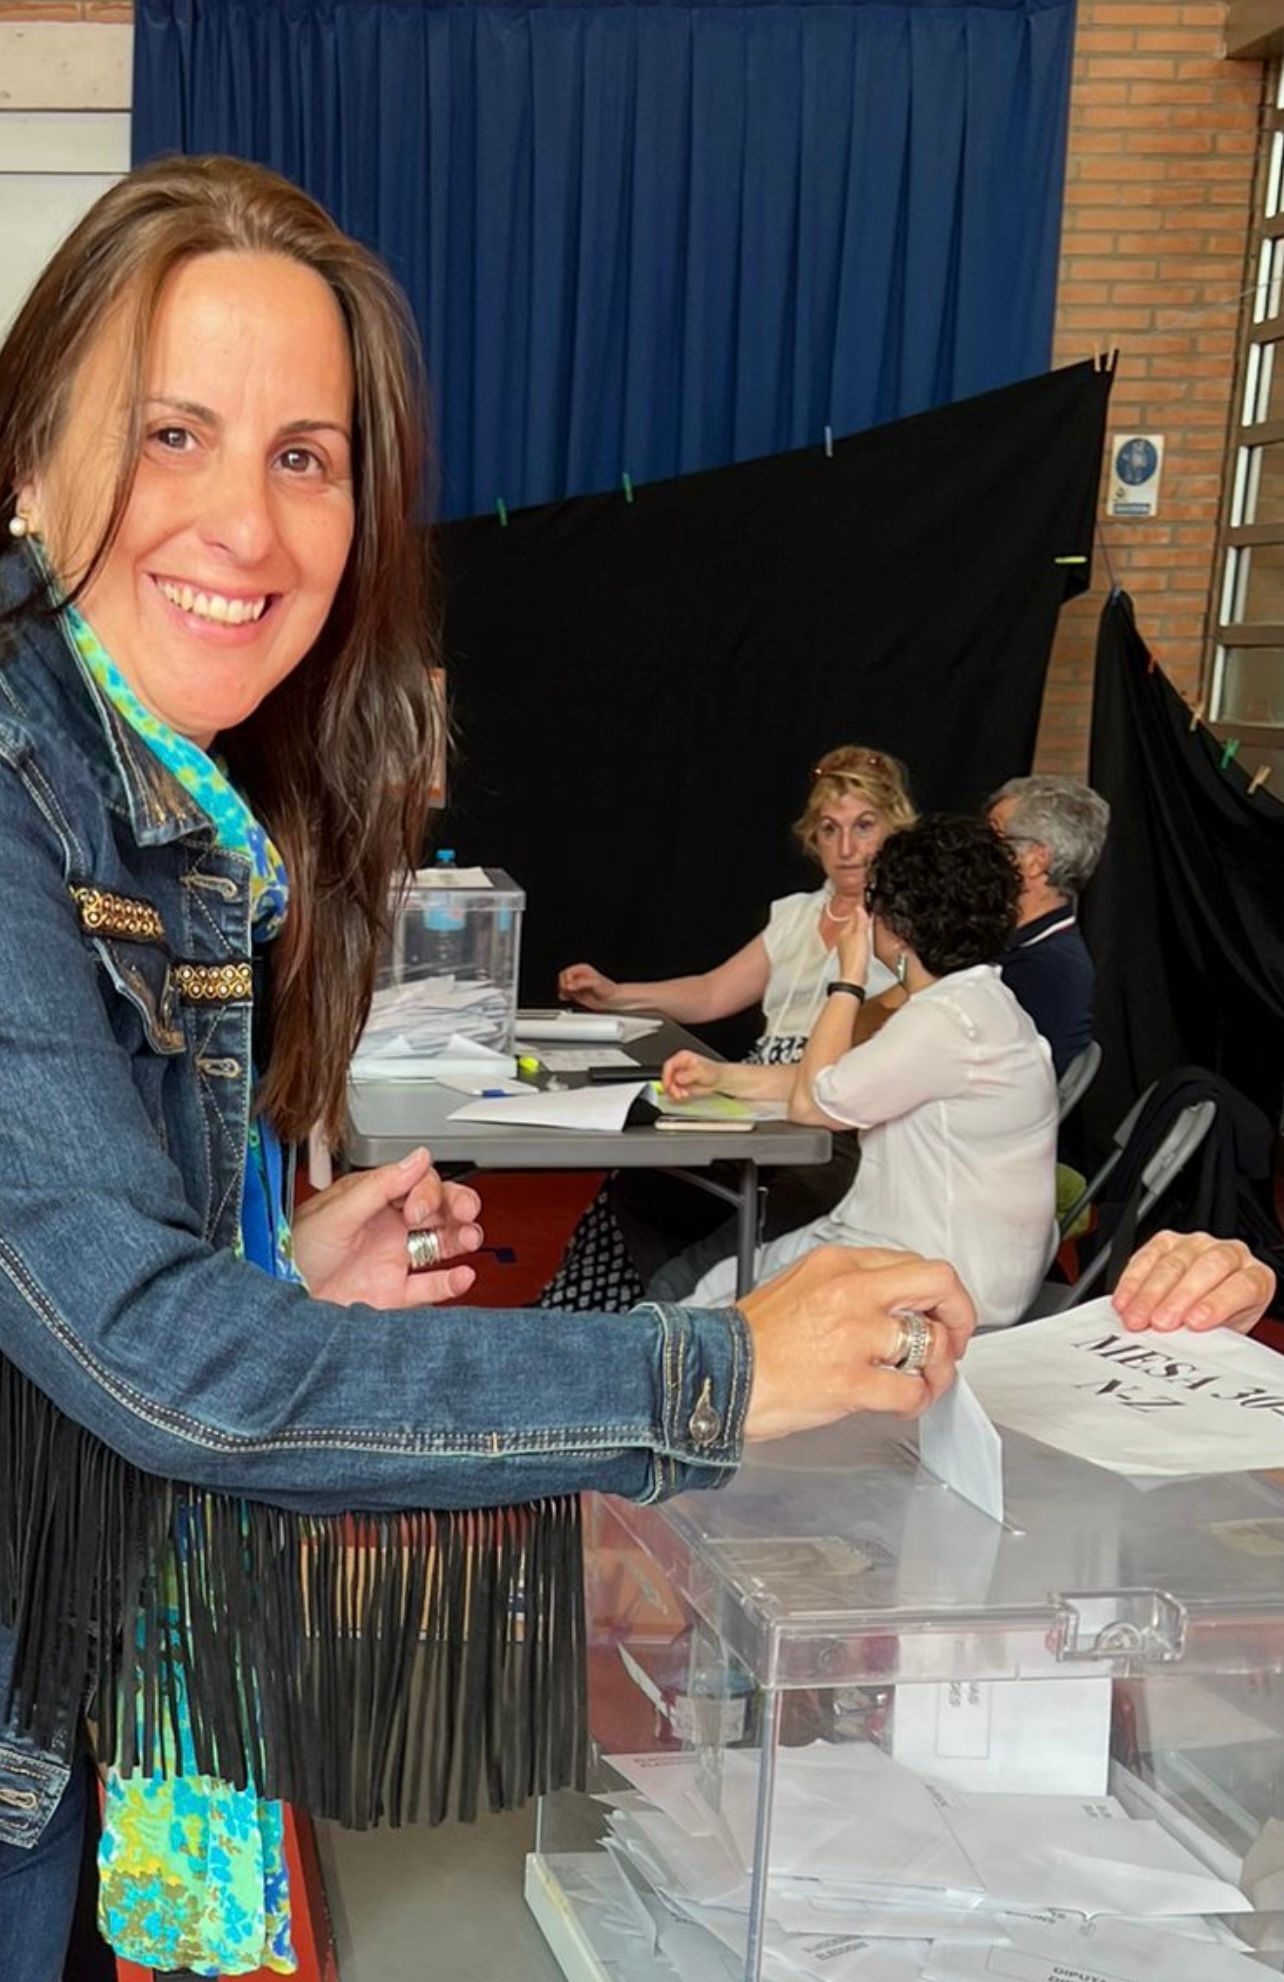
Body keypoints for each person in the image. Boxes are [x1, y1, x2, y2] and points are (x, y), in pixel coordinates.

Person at [0, 156, 978, 1982]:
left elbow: (61, 1292)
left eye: (304, 455)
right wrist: (715, 1371)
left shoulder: (164, 806)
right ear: (27, 458)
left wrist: (280, 1269)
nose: (246, 523)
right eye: (168, 433)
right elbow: (157, 1361)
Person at [542, 748, 917, 1309]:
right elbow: (714, 991)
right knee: (642, 1175)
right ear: (811, 838)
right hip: (753, 1093)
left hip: (830, 1109)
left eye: (864, 827)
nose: (847, 849)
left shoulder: (904, 927)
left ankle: (683, 1314)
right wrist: (617, 994)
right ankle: (605, 1320)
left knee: (750, 1199)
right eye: (829, 829)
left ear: (895, 827)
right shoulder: (794, 913)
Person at [664, 816, 1060, 1328]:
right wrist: (723, 1078)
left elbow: (814, 1101)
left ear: (897, 925)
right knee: (718, 1284)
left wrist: (847, 980)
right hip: (963, 1260)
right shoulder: (980, 1002)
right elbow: (849, 1078)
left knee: (707, 1304)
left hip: (935, 1272)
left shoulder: (940, 1020)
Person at [986, 774, 1110, 1078]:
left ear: (1035, 861)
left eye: (993, 839)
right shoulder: (1026, 945)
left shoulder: (1049, 968)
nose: (978, 853)